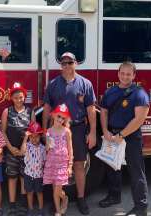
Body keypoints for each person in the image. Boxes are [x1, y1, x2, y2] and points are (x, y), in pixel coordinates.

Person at [42, 52, 96, 215]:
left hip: (78, 128)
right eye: (63, 63)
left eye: (70, 62)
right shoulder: (52, 84)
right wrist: (45, 130)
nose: (66, 66)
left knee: (79, 164)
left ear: (76, 64)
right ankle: (57, 199)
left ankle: (81, 198)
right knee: (56, 165)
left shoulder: (85, 84)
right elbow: (46, 108)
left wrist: (92, 132)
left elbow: (91, 110)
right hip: (56, 130)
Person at [98, 61, 150, 216]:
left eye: (129, 74)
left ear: (134, 75)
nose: (125, 76)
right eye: (122, 73)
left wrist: (122, 135)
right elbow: (104, 112)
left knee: (136, 171)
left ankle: (141, 207)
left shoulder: (139, 93)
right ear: (118, 73)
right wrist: (106, 131)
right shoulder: (110, 92)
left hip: (131, 137)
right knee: (112, 167)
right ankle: (114, 196)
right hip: (112, 135)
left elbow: (139, 119)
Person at [1, 82, 35, 216]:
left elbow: (32, 132)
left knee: (23, 177)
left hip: (25, 151)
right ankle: (12, 205)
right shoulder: (6, 111)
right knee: (12, 177)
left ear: (24, 97)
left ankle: (22, 204)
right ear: (12, 98)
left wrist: (24, 146)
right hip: (11, 151)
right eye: (16, 97)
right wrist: (10, 147)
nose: (19, 100)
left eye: (21, 97)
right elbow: (3, 131)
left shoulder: (30, 111)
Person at [43, 104, 73, 216]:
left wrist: (70, 166)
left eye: (63, 118)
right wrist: (48, 145)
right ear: (54, 115)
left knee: (57, 190)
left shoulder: (67, 131)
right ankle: (59, 209)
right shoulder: (49, 131)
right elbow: (46, 149)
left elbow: (70, 149)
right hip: (51, 163)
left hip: (62, 164)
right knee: (55, 189)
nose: (60, 119)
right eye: (59, 116)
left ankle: (63, 201)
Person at [20, 122, 46, 216]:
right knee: (29, 192)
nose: (34, 139)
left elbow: (45, 161)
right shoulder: (27, 146)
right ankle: (30, 209)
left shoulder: (43, 148)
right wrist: (26, 138)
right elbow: (22, 152)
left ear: (40, 136)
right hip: (28, 174)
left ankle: (41, 209)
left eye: (36, 136)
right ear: (29, 136)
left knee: (39, 192)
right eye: (32, 136)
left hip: (39, 175)